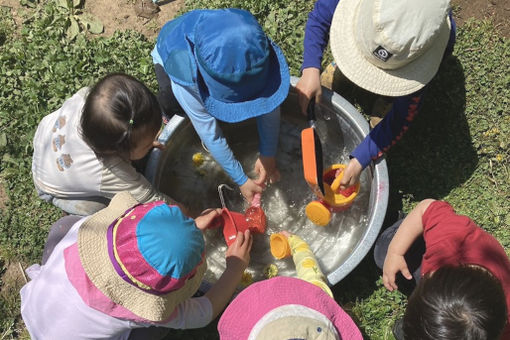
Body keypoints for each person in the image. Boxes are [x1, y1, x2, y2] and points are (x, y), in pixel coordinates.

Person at [20, 191, 252, 340]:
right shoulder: (138, 311)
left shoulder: (84, 233)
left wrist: (189, 228)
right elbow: (203, 313)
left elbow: (144, 245)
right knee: (155, 331)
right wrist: (235, 268)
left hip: (38, 309)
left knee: (64, 223)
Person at [295, 0, 456, 190]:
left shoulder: (427, 43)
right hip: (395, 52)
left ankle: (389, 95)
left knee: (393, 110)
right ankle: (351, 67)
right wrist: (311, 68)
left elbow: (401, 118)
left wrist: (360, 159)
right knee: (349, 66)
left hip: (407, 57)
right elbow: (320, 18)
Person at [151, 8, 290, 204]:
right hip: (169, 56)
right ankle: (168, 113)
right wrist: (241, 179)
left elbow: (270, 105)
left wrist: (268, 153)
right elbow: (210, 134)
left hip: (208, 42)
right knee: (173, 102)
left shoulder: (253, 48)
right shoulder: (185, 75)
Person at [32, 73, 180, 216]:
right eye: (147, 144)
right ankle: (72, 214)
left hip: (46, 138)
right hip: (48, 184)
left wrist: (144, 143)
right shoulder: (110, 173)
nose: (155, 139)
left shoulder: (89, 98)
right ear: (119, 153)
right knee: (111, 211)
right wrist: (190, 212)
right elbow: (156, 202)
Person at [374, 199, 510, 340]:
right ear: (430, 275)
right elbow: (426, 208)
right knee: (383, 252)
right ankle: (401, 227)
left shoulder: (502, 322)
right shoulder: (450, 240)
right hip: (437, 255)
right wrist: (395, 252)